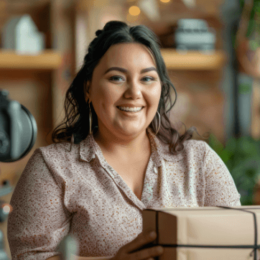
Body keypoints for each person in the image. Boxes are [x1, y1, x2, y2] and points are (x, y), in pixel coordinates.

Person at [7, 20, 241, 260]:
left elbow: (241, 245)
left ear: (161, 88)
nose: (134, 92)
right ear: (88, 88)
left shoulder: (199, 161)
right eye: (117, 78)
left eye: (147, 79)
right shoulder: (52, 167)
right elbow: (30, 256)